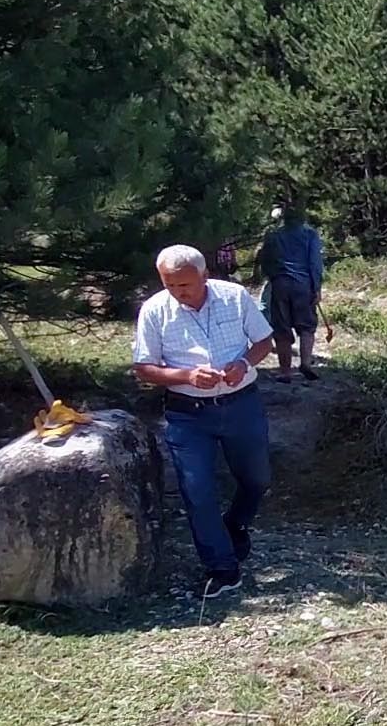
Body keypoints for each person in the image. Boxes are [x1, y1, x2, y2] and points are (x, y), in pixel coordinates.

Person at [132, 245, 275, 599]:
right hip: (187, 413)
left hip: (241, 404)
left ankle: (235, 525)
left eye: (185, 284)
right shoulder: (154, 310)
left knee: (257, 479)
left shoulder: (235, 296)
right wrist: (186, 375)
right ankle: (223, 568)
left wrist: (243, 363)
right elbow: (144, 367)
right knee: (198, 493)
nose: (179, 292)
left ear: (204, 275)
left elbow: (263, 341)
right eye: (170, 284)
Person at [258, 206, 325, 382]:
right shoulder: (310, 235)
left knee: (281, 328)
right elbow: (315, 263)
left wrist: (272, 277)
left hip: (279, 283)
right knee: (307, 326)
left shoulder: (273, 235)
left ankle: (285, 371)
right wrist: (317, 287)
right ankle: (305, 364)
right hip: (303, 285)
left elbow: (264, 260)